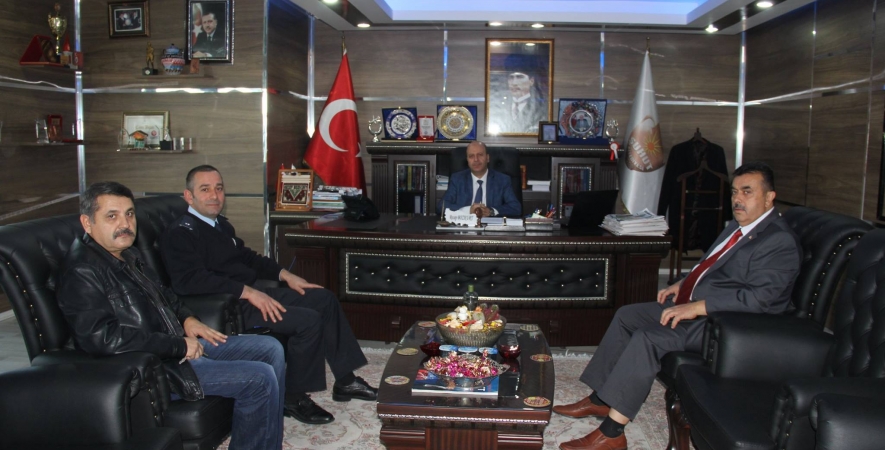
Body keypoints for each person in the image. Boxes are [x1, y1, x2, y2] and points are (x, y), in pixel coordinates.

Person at [552, 161, 801, 450]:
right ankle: (601, 399)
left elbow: (760, 299)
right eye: (735, 192)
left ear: (770, 197)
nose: (737, 199)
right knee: (627, 315)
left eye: (747, 192)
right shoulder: (739, 226)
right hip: (697, 305)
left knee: (648, 337)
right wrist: (683, 283)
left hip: (726, 325)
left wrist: (699, 306)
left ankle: (612, 433)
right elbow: (710, 265)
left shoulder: (778, 241)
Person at [57, 182, 284, 450]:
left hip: (172, 348)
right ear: (87, 222)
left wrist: (188, 319)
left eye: (129, 214)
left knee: (270, 348)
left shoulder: (127, 254)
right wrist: (178, 346)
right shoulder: (82, 272)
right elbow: (104, 339)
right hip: (151, 369)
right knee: (259, 378)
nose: (125, 224)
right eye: (112, 216)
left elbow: (167, 295)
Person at [160, 165, 377, 426]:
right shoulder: (181, 233)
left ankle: (345, 381)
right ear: (189, 196)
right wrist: (248, 292)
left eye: (219, 188)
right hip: (227, 307)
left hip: (251, 294)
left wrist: (286, 275)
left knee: (323, 299)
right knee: (307, 321)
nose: (214, 196)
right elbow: (189, 281)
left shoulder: (219, 225)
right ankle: (293, 397)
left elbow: (247, 258)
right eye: (205, 189)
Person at [439, 141, 522, 217]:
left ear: (487, 158)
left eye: (480, 155)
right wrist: (468, 210)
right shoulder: (457, 179)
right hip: (465, 225)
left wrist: (491, 211)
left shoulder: (502, 180)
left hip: (491, 226)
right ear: (467, 160)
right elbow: (441, 206)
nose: (476, 159)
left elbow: (516, 208)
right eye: (471, 156)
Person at [488, 53, 549, 134]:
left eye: (520, 77)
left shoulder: (541, 108)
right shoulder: (499, 106)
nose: (514, 83)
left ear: (531, 81)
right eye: (511, 77)